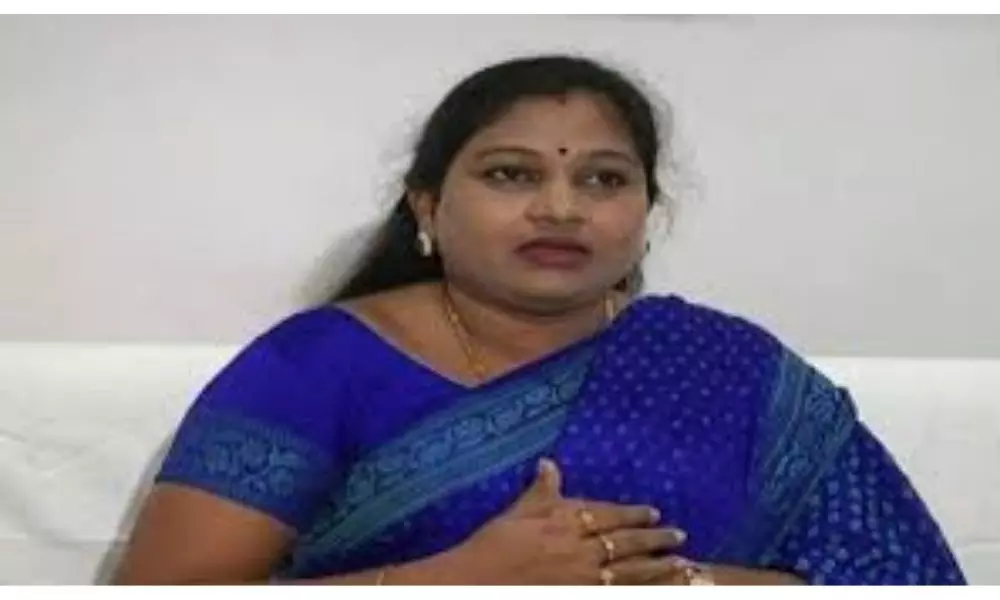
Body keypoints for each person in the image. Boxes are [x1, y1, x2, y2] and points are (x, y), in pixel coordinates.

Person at [113, 55, 966, 586]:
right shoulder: (315, 366)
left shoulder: (730, 365)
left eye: (603, 180)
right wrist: (461, 579)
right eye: (511, 174)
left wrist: (683, 582)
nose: (561, 207)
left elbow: (899, 576)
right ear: (427, 206)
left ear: (645, 214)